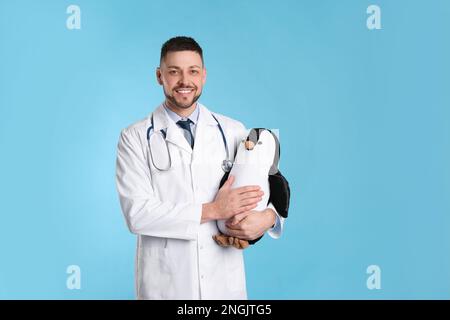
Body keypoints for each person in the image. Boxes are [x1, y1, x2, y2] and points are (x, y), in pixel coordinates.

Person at [115, 36, 284, 300]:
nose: (185, 81)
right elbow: (137, 214)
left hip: (224, 285)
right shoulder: (134, 137)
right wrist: (213, 210)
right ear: (160, 76)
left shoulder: (233, 130)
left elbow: (272, 183)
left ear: (203, 76)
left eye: (193, 71)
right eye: (174, 72)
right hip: (166, 286)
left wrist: (268, 219)